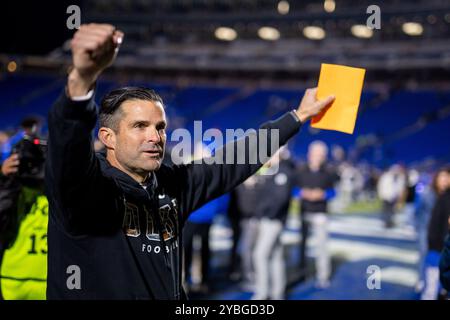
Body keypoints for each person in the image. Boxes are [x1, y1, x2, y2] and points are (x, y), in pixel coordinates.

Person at [45, 23, 334, 299]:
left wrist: (297, 117)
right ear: (108, 137)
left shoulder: (172, 184)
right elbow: (68, 145)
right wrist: (82, 82)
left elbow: (232, 160)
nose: (155, 137)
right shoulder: (84, 189)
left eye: (160, 127)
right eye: (139, 126)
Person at [0, 144, 48, 300]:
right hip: (13, 280)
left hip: (35, 280)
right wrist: (3, 176)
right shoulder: (16, 194)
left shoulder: (62, 195)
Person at [252, 147, 296, 300]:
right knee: (275, 256)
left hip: (273, 220)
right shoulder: (273, 170)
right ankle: (278, 292)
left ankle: (262, 292)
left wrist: (264, 214)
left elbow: (280, 199)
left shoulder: (283, 171)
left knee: (259, 255)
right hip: (270, 219)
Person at [297, 140, 338, 288]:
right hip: (304, 211)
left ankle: (323, 275)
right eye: (316, 154)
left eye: (321, 155)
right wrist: (303, 193)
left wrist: (323, 194)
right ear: (310, 154)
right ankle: (303, 273)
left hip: (321, 213)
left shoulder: (329, 171)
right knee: (303, 245)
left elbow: (333, 192)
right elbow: (293, 189)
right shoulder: (301, 170)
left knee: (322, 246)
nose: (318, 157)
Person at [421, 167, 450, 299]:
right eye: (442, 177)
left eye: (447, 177)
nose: (444, 180)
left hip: (441, 242)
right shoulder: (432, 194)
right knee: (432, 276)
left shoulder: (445, 196)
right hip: (436, 242)